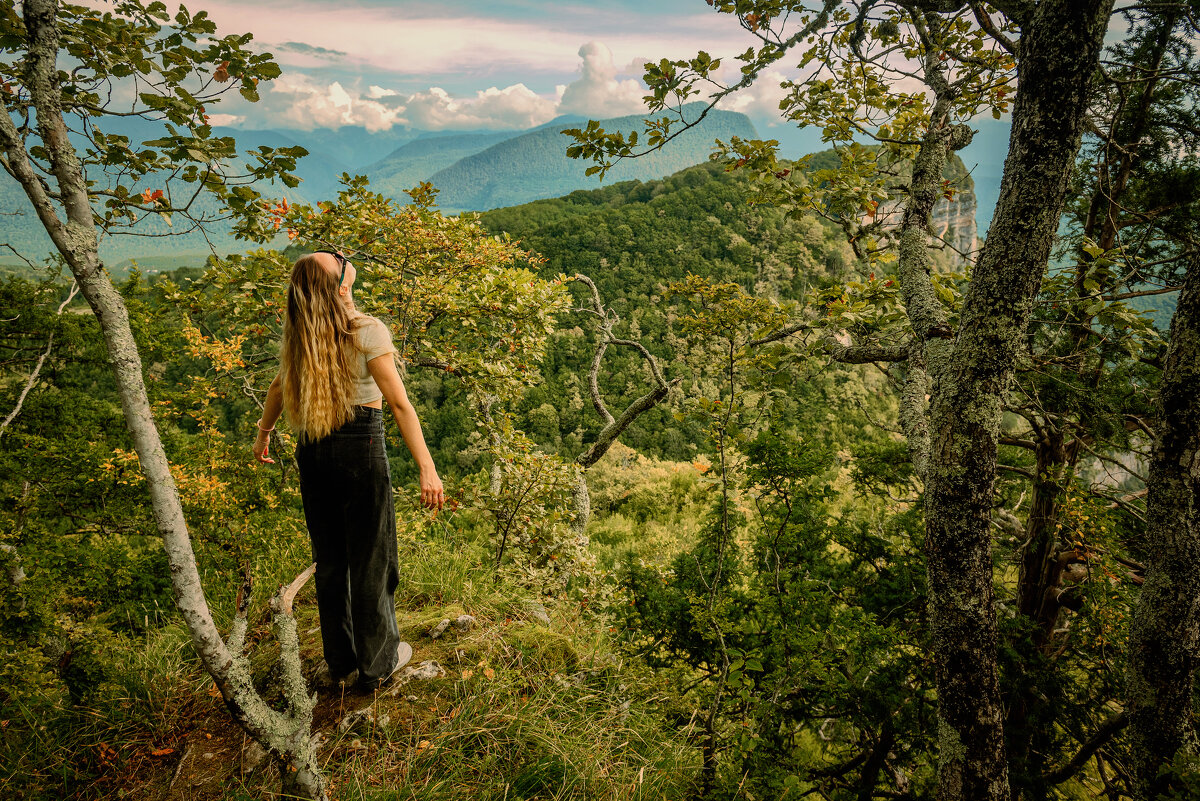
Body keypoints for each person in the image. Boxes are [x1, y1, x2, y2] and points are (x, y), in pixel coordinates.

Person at [252, 249, 444, 692]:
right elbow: (398, 403)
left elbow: (280, 385)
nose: (341, 256)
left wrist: (264, 433)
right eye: (336, 259)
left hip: (313, 449)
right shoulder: (366, 329)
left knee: (331, 560)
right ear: (340, 286)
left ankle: (340, 662)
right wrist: (427, 468)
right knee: (372, 556)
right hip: (361, 445)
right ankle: (377, 665)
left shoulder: (300, 330)